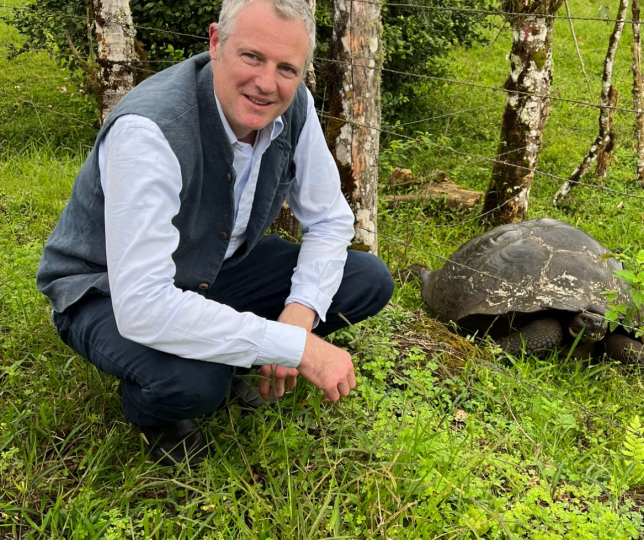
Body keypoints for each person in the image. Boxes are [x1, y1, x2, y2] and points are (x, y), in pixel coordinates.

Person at [36, 0, 394, 466]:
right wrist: (296, 348)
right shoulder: (150, 130)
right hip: (104, 290)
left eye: (287, 67)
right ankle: (154, 410)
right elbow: (141, 305)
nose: (267, 83)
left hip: (215, 265)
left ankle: (235, 354)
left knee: (366, 278)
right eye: (252, 57)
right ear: (215, 42)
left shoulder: (295, 105)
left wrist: (297, 319)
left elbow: (329, 220)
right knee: (194, 383)